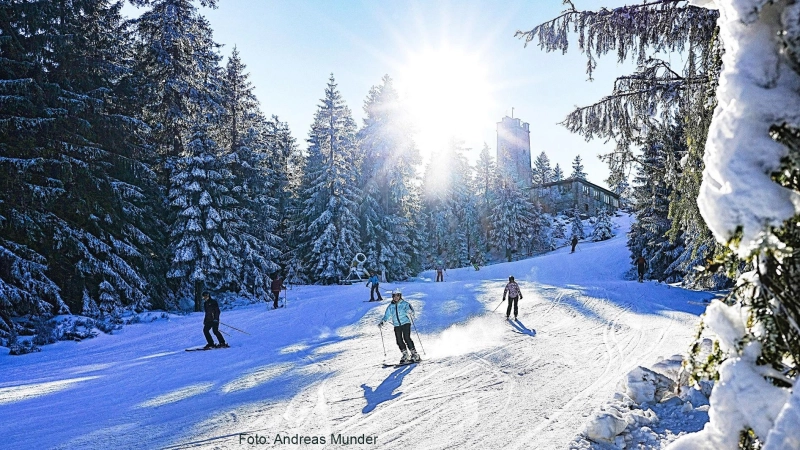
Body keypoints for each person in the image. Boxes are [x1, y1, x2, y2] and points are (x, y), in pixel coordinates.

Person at [379, 289, 420, 364]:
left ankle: (414, 354)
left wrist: (410, 312)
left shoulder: (405, 304)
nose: (396, 297)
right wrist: (383, 321)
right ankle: (405, 355)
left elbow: (411, 311)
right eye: (394, 296)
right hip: (397, 325)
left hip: (405, 323)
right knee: (399, 340)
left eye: (398, 295)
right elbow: (387, 315)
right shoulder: (391, 306)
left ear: (400, 296)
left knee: (406, 338)